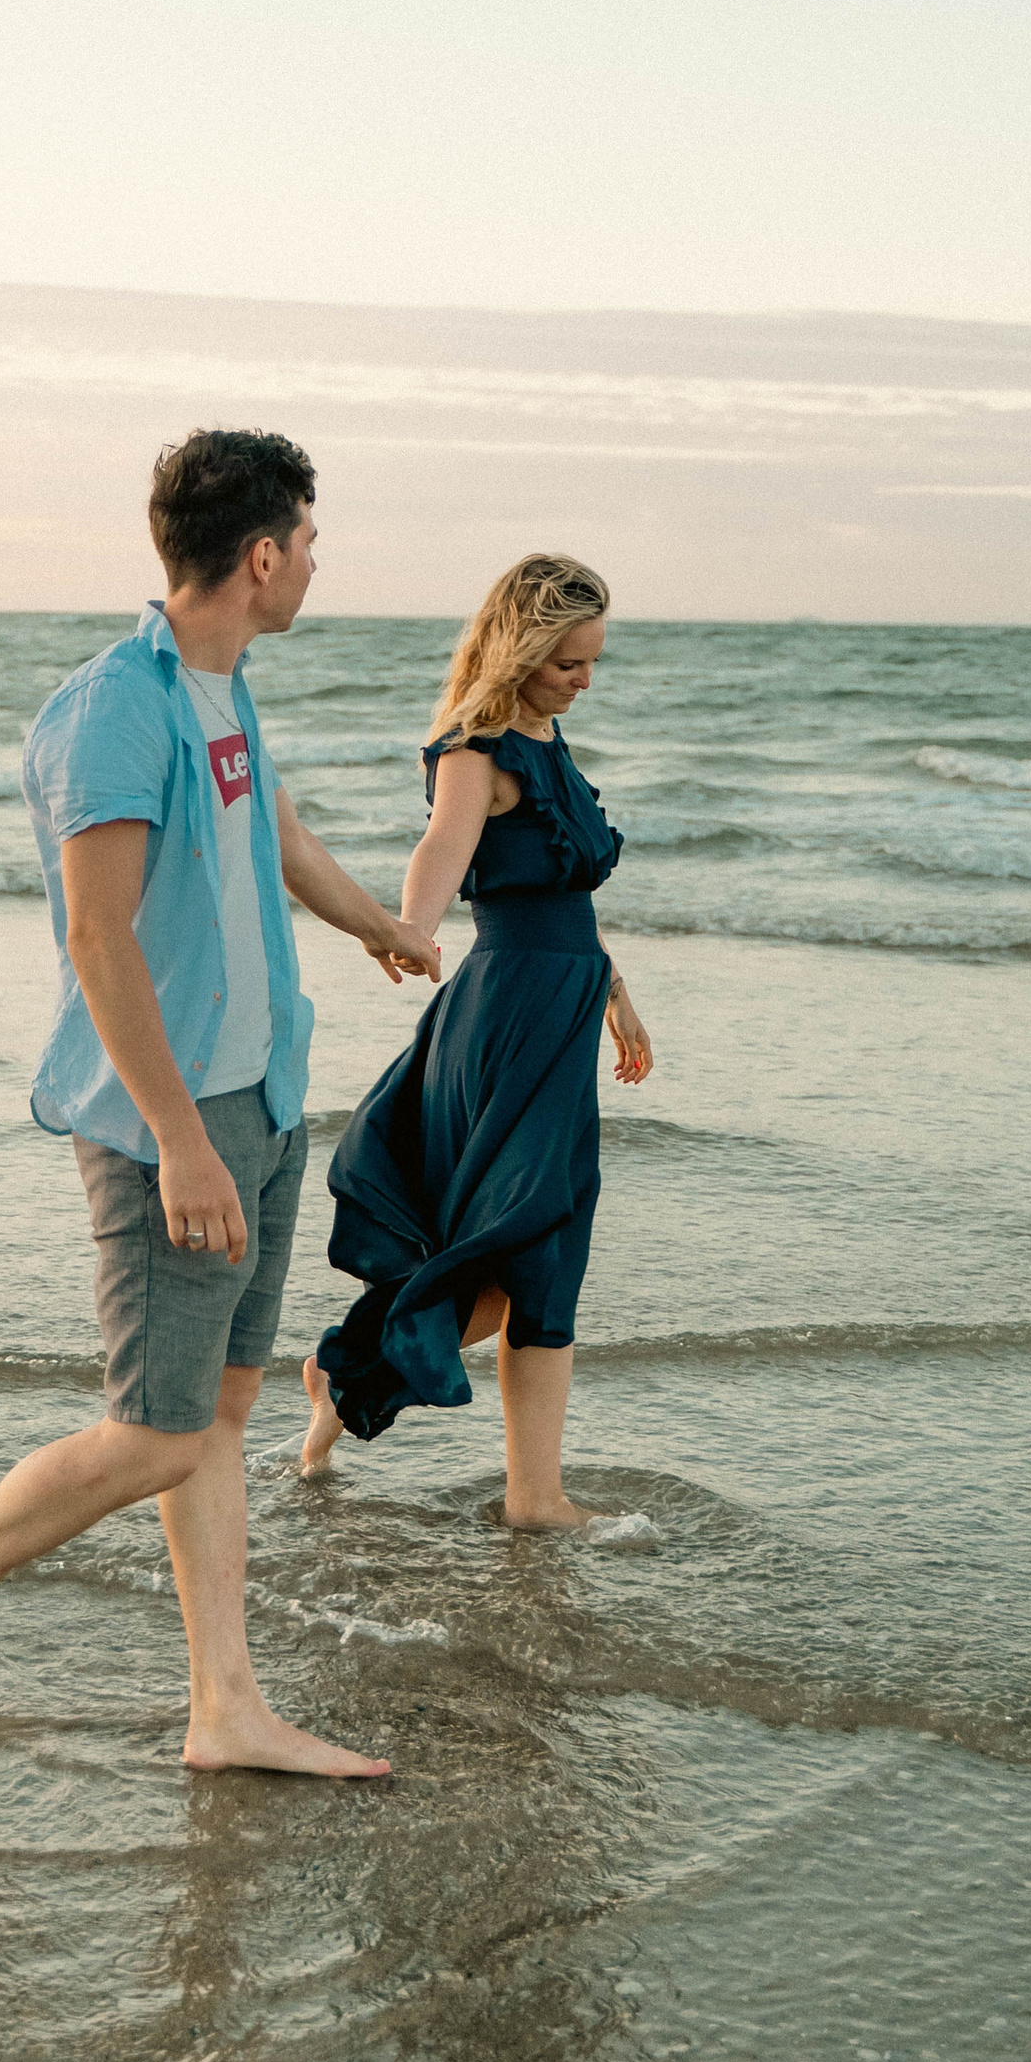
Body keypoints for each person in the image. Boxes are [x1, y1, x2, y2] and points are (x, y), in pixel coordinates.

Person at [0, 428, 441, 1773]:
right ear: (260, 557)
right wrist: (182, 1144)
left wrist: (376, 926)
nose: (314, 563)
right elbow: (98, 937)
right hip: (168, 1128)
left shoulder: (220, 687)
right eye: (307, 542)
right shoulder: (115, 708)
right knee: (153, 1431)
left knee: (218, 1421)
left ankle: (224, 1708)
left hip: (259, 1097)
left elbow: (275, 827)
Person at [298, 553, 652, 1526]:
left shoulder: (549, 742)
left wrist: (615, 989)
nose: (584, 682)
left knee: (519, 1264)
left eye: (593, 664)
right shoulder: (477, 748)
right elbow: (442, 852)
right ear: (523, 651)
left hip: (565, 1010)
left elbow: (564, 895)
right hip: (504, 1022)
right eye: (567, 664)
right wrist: (408, 925)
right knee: (529, 1241)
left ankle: (352, 1381)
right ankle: (530, 1495)